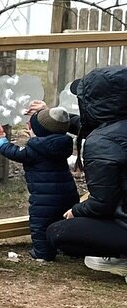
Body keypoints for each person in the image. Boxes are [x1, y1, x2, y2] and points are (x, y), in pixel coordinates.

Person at [41, 67, 127, 275]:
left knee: (58, 232)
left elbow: (101, 204)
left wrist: (76, 211)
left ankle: (120, 258)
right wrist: (53, 116)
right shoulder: (116, 126)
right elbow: (95, 124)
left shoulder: (102, 142)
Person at [0, 108, 77, 262]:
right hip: (68, 194)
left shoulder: (35, 149)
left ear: (38, 131)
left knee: (40, 225)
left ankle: (43, 253)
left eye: (30, 127)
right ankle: (71, 249)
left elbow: (14, 152)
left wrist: (1, 141)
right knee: (67, 222)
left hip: (45, 200)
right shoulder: (62, 144)